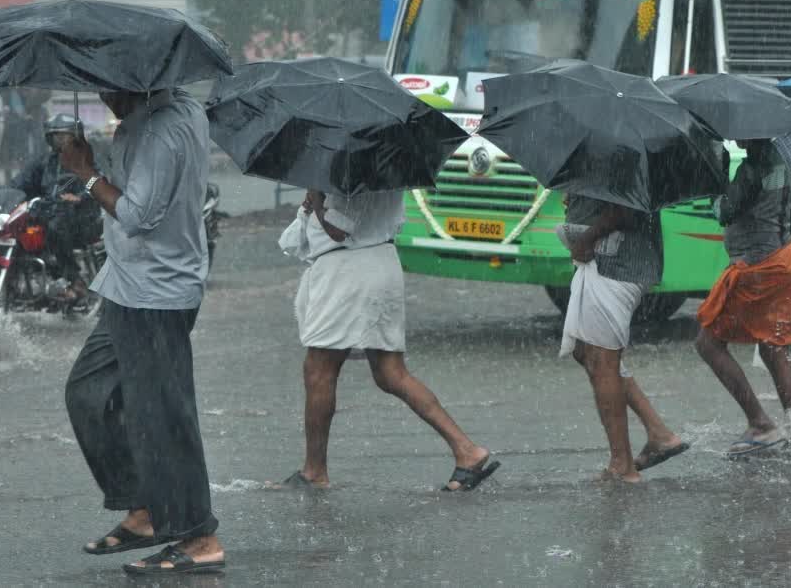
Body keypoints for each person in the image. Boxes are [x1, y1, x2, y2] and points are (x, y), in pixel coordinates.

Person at [58, 88, 226, 575]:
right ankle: (147, 508)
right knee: (89, 391)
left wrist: (86, 174)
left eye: (109, 85)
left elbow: (138, 215)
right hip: (126, 286)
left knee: (163, 417)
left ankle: (199, 538)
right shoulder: (150, 118)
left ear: (141, 77)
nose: (103, 94)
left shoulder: (162, 129)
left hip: (156, 293)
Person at [269, 189, 499, 492]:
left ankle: (314, 470)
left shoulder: (344, 161)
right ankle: (466, 450)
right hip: (381, 262)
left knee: (319, 371)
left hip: (347, 271)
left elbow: (338, 230)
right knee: (392, 374)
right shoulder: (388, 160)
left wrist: (317, 198)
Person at [557, 196, 689, 483]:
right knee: (584, 351)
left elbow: (624, 209)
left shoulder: (617, 154)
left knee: (603, 360)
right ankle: (659, 434)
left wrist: (587, 238)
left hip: (615, 266)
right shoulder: (605, 155)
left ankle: (622, 465)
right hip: (605, 263)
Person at [695, 139, 791, 455]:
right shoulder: (784, 159)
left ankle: (760, 423)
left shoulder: (753, 167)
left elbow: (725, 211)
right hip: (785, 256)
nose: (736, 136)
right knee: (774, 348)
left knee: (707, 343)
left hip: (757, 266)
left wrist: (717, 182)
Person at [4, 114, 101, 302]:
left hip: (82, 217)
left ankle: (75, 280)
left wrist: (79, 197)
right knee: (20, 228)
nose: (60, 140)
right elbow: (20, 182)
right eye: (56, 136)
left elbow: (97, 183)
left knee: (56, 228)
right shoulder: (45, 162)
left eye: (64, 136)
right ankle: (23, 280)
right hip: (50, 212)